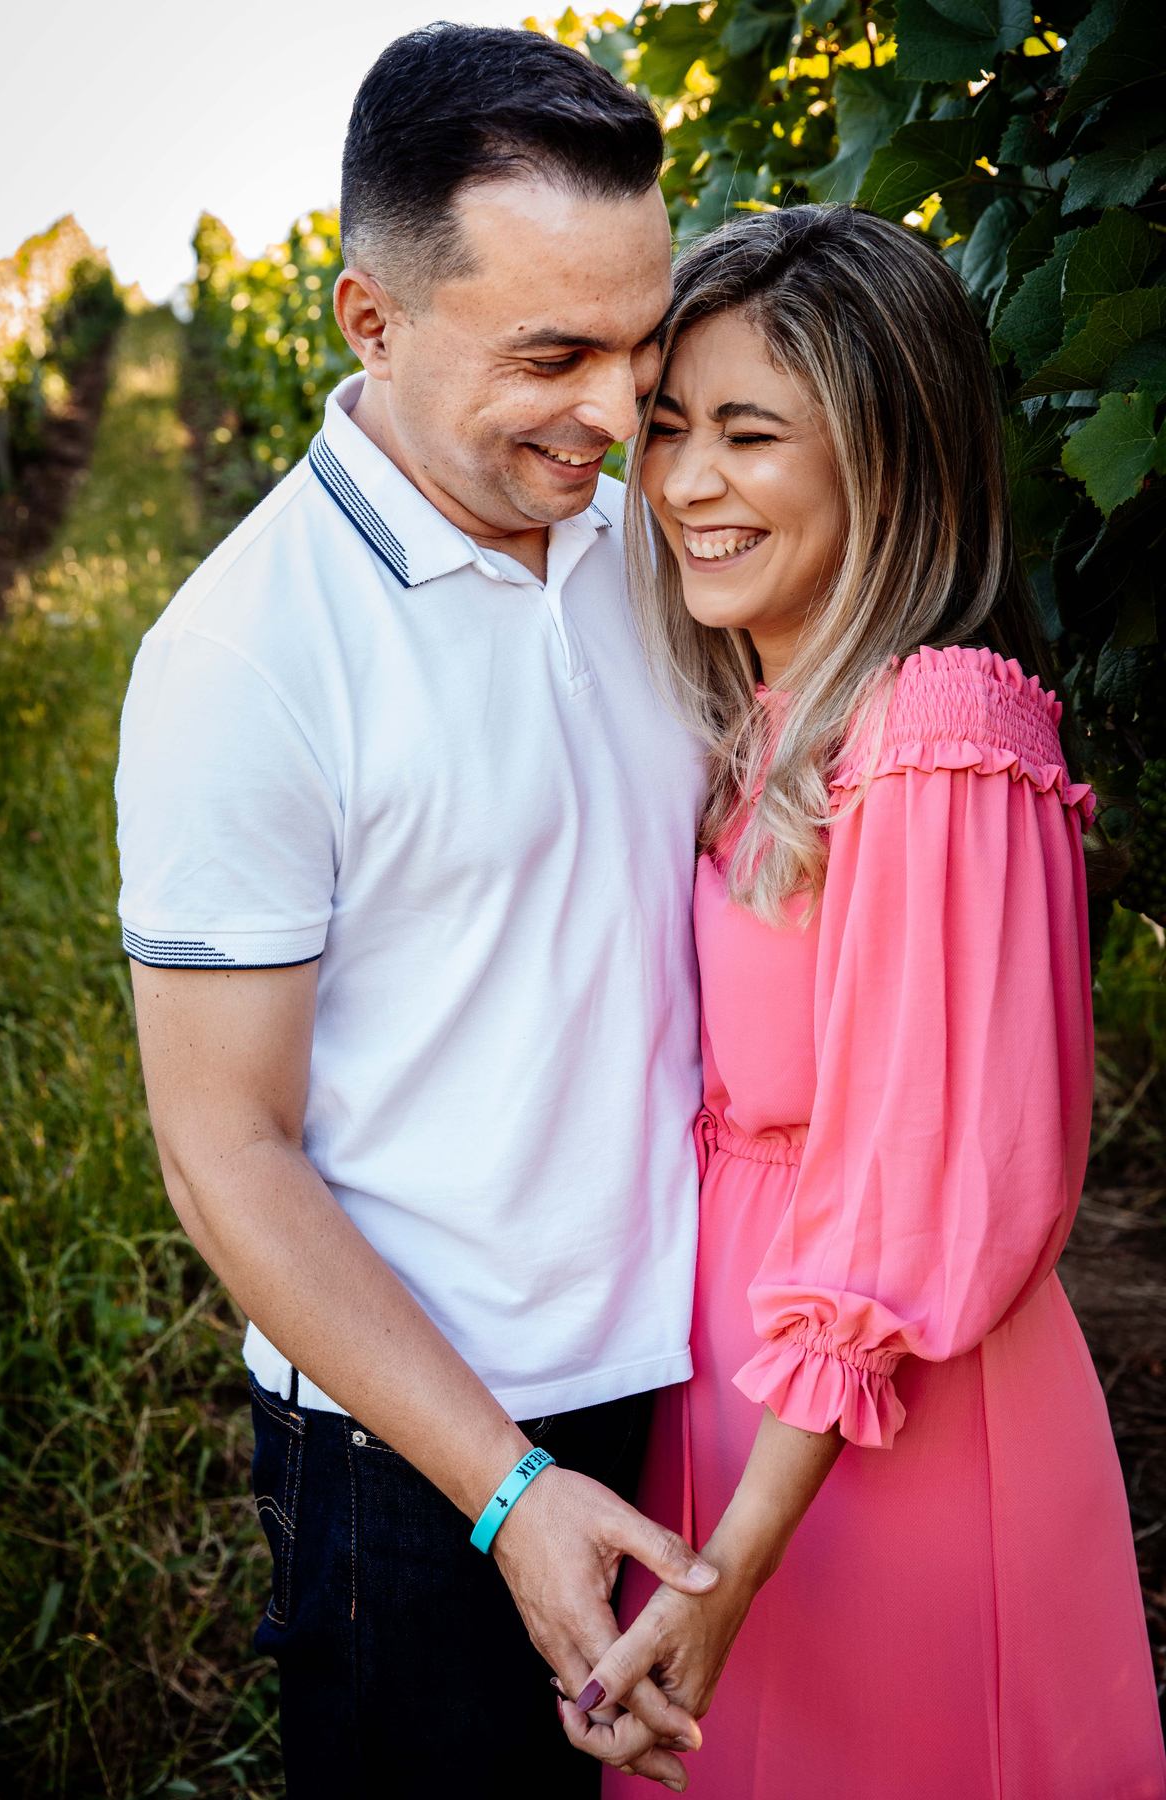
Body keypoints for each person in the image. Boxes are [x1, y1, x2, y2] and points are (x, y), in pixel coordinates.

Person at [114, 25, 720, 1798]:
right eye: (552, 354)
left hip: (693, 1384)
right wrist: (508, 1491)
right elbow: (226, 1150)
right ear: (369, 321)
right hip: (424, 1456)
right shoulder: (245, 661)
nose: (617, 416)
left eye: (643, 345)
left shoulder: (653, 549)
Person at [554, 206, 1166, 1797]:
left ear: (886, 457)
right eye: (668, 429)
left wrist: (734, 1562)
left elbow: (927, 1173)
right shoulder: (775, 712)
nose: (684, 483)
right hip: (745, 1384)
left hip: (873, 1429)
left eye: (749, 434)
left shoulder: (935, 721)